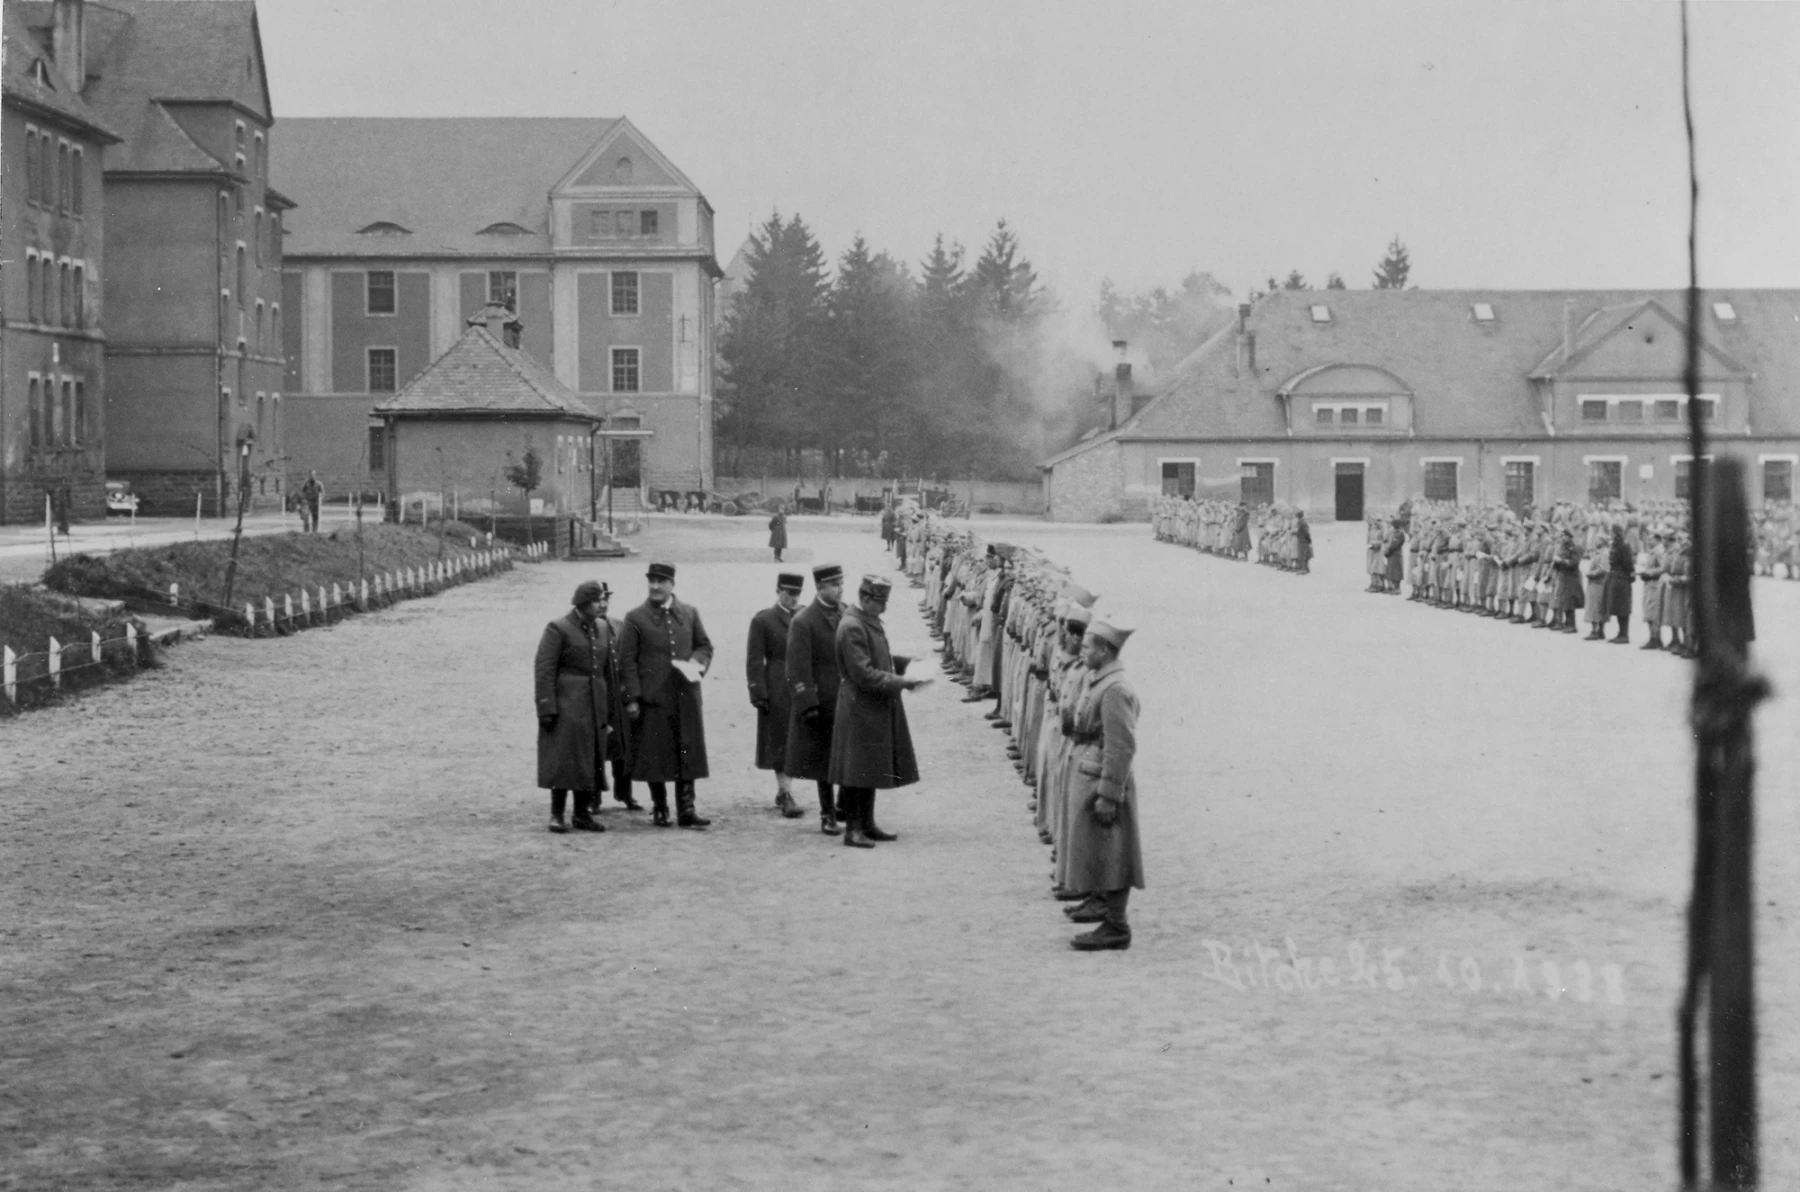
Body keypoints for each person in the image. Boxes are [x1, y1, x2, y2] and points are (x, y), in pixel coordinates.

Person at [1061, 619, 1144, 951]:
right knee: (1098, 847)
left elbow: (1121, 746)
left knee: (1113, 851)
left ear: (1105, 651)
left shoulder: (1115, 689)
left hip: (1104, 778)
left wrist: (1110, 794)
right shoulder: (1101, 681)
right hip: (1091, 770)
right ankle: (1102, 908)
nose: (1082, 649)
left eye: (1088, 646)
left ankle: (1116, 926)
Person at [829, 574, 929, 849]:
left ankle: (867, 823)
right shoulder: (852, 626)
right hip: (859, 705)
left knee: (869, 766)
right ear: (865, 598)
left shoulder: (865, 621)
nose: (884, 608)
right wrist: (903, 682)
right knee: (856, 770)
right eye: (880, 602)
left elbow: (879, 657)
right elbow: (863, 673)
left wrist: (907, 663)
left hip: (871, 705)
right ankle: (853, 829)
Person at [619, 562, 715, 829]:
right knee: (655, 754)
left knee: (687, 750)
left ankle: (687, 809)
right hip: (653, 698)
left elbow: (704, 645)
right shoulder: (635, 617)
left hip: (685, 695)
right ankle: (660, 807)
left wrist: (697, 663)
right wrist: (633, 698)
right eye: (651, 580)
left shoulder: (690, 613)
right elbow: (627, 661)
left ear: (672, 584)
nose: (655, 586)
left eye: (661, 581)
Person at [533, 580, 617, 834]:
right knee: (563, 757)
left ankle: (582, 814)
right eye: (596, 600)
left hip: (594, 704)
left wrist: (610, 709)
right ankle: (557, 814)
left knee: (590, 757)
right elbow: (544, 668)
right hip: (566, 705)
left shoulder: (603, 628)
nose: (602, 604)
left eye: (604, 599)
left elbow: (607, 671)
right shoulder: (558, 628)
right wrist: (546, 706)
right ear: (582, 604)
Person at [786, 563, 847, 835]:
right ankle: (827, 813)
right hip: (823, 701)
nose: (839, 589)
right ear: (820, 587)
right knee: (823, 760)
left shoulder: (846, 613)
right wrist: (808, 703)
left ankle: (843, 806)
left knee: (847, 754)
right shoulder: (804, 621)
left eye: (840, 583)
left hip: (846, 699)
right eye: (834, 585)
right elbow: (797, 666)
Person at [747, 572, 805, 818]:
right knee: (780, 739)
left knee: (801, 738)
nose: (792, 598)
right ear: (778, 590)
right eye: (788, 592)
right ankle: (785, 792)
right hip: (777, 684)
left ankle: (787, 790)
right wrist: (758, 692)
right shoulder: (764, 619)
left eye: (796, 593)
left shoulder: (804, 616)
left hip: (802, 684)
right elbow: (754, 659)